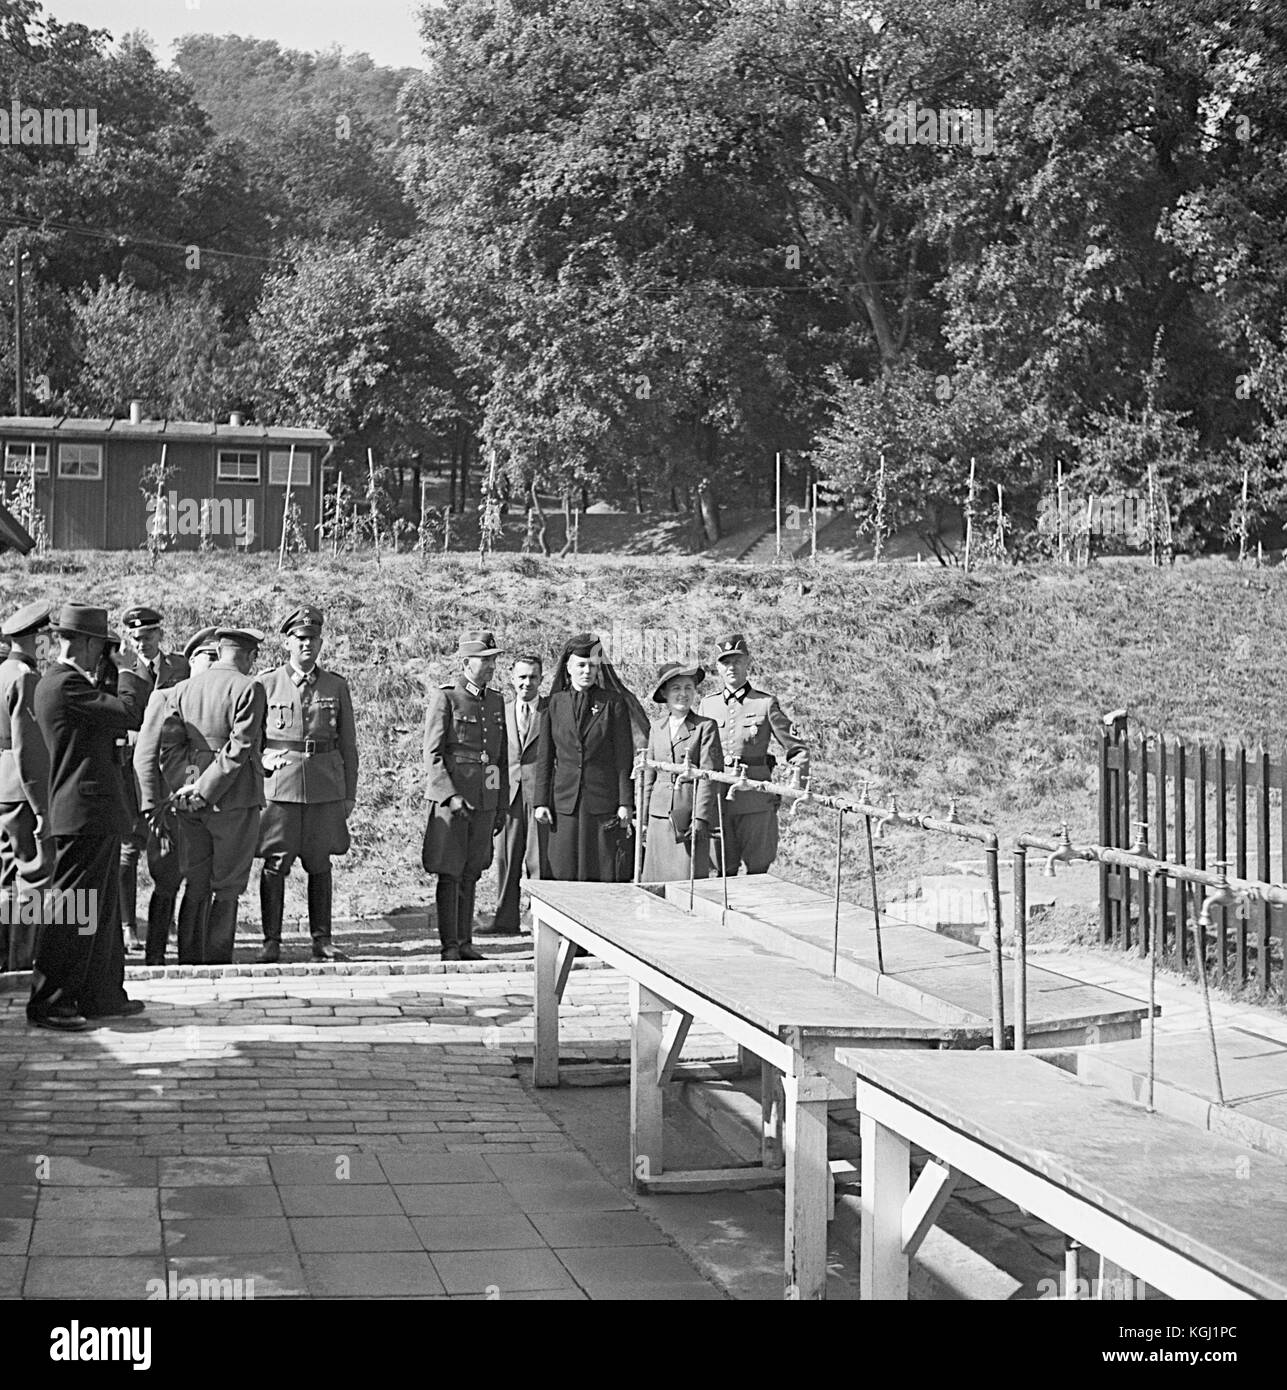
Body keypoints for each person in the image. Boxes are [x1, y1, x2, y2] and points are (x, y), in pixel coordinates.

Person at [27, 604, 144, 1030]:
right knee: (74, 910)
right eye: (103, 647)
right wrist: (129, 669)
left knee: (102, 908)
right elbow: (129, 712)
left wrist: (112, 673)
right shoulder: (65, 686)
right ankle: (50, 1000)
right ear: (91, 643)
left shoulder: (68, 683)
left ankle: (101, 994)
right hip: (83, 810)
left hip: (94, 811)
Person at [255, 605, 358, 964]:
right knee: (275, 862)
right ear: (287, 642)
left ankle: (322, 939)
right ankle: (271, 940)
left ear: (321, 642)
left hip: (323, 789)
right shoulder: (267, 684)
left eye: (313, 639)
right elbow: (251, 740)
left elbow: (348, 745)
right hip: (280, 788)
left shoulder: (335, 685)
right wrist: (262, 762)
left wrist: (349, 793)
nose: (307, 646)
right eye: (300, 639)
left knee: (320, 863)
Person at [169, 627, 267, 964]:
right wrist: (206, 790)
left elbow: (172, 746)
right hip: (234, 799)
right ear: (249, 655)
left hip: (190, 799)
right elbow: (239, 747)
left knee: (195, 880)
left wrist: (191, 786)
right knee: (227, 885)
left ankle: (189, 960)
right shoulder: (249, 687)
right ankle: (216, 961)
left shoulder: (184, 688)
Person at [132, 626, 220, 964]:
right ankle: (155, 957)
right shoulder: (165, 697)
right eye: (207, 658)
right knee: (166, 883)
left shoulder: (219, 700)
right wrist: (151, 806)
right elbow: (145, 756)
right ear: (191, 659)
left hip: (204, 810)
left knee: (199, 887)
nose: (212, 665)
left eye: (217, 658)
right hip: (169, 812)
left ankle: (191, 959)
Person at [422, 631, 508, 961]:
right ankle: (449, 946)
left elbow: (495, 758)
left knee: (472, 871)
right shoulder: (447, 698)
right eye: (484, 661)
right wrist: (451, 796)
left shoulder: (496, 701)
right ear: (465, 663)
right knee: (450, 871)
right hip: (452, 802)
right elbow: (433, 754)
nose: (490, 667)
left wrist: (497, 802)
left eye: (493, 661)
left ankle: (466, 941)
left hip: (483, 802)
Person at [699, 634, 809, 876]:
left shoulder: (765, 704)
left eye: (737, 660)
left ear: (747, 662)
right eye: (725, 662)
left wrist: (796, 784)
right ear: (717, 667)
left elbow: (797, 749)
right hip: (718, 800)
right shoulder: (708, 706)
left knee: (758, 870)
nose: (732, 667)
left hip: (755, 801)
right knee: (721, 872)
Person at [533, 632, 637, 883]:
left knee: (600, 868)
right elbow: (545, 757)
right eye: (581, 665)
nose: (587, 671)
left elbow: (623, 758)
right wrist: (541, 802)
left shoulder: (613, 704)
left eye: (592, 665)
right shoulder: (553, 704)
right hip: (564, 802)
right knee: (564, 868)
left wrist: (626, 803)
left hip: (602, 801)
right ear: (568, 667)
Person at [117, 606, 189, 955]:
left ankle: (168, 921)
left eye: (147, 637)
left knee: (169, 846)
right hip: (132, 768)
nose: (142, 644)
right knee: (129, 849)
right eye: (135, 638)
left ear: (160, 635)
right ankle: (128, 925)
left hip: (173, 770)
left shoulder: (180, 667)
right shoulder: (122, 670)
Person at [0, 601, 52, 972]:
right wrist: (41, 808)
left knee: (5, 877)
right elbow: (28, 748)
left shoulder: (3, 671)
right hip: (20, 788)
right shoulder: (24, 677)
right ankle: (21, 964)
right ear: (37, 641)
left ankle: (5, 959)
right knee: (32, 876)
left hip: (2, 784)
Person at [481, 652, 549, 936]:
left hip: (539, 797)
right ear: (511, 679)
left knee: (539, 860)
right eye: (522, 677)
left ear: (542, 679)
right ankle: (505, 918)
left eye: (533, 677)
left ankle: (540, 920)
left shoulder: (550, 711)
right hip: (507, 797)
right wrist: (490, 794)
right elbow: (492, 759)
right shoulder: (500, 711)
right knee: (506, 860)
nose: (527, 683)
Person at [641, 661, 723, 881]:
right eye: (676, 688)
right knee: (655, 881)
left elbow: (709, 777)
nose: (683, 694)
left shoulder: (706, 727)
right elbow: (649, 775)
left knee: (686, 879)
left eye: (688, 687)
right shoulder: (656, 727)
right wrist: (643, 817)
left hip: (687, 819)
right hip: (658, 817)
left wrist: (700, 818)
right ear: (665, 693)